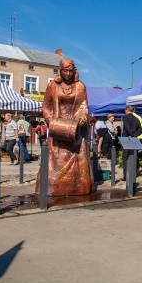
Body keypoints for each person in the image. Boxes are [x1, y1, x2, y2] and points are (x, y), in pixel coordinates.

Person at [36, 59, 94, 196]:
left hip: (75, 129)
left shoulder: (80, 86)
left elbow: (83, 107)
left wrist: (81, 118)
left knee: (79, 157)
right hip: (58, 128)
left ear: (75, 71)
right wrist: (50, 119)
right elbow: (47, 106)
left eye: (70, 71)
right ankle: (54, 188)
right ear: (60, 70)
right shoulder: (52, 86)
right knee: (55, 161)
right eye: (65, 71)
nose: (68, 74)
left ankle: (79, 187)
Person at [122, 105, 142, 181]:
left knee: (125, 157)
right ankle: (133, 173)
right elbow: (141, 130)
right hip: (134, 140)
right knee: (133, 156)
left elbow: (127, 128)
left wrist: (131, 134)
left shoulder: (125, 118)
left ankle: (126, 175)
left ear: (127, 110)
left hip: (127, 140)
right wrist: (135, 135)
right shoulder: (137, 119)